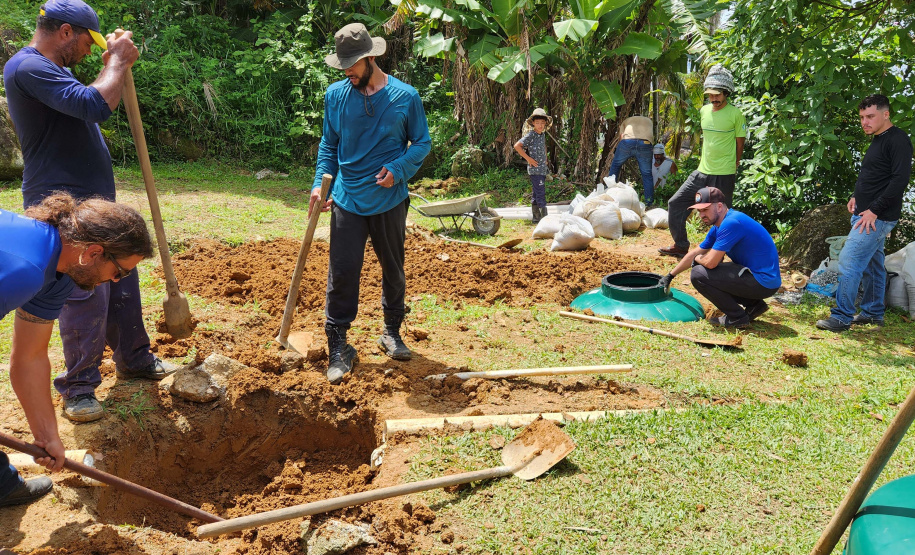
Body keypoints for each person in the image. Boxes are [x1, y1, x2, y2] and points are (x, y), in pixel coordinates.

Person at [3, 0, 175, 423]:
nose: (87, 51)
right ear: (65, 31)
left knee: (119, 276)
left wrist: (113, 65)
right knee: (82, 289)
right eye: (86, 42)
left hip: (94, 194)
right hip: (61, 199)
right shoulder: (27, 68)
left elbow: (90, 98)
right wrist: (116, 61)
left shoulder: (58, 71)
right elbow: (94, 104)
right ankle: (79, 385)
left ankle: (134, 357)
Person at [0, 194, 153, 507]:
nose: (115, 281)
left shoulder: (58, 276)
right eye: (120, 272)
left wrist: (47, 436)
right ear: (94, 252)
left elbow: (30, 357)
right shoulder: (26, 269)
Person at [310, 23, 431, 384]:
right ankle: (339, 346)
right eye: (342, 65)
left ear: (371, 57)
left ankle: (391, 332)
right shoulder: (336, 96)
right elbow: (328, 146)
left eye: (352, 64)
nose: (346, 71)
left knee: (393, 269)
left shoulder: (405, 97)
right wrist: (321, 183)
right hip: (347, 199)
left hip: (390, 199)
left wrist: (398, 169)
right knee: (342, 273)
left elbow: (421, 143)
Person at [816, 94, 913, 332]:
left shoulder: (898, 140)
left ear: (886, 114)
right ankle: (872, 313)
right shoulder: (878, 139)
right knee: (873, 266)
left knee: (848, 263)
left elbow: (899, 180)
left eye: (870, 116)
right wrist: (856, 196)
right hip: (865, 213)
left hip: (875, 218)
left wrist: (874, 211)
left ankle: (841, 317)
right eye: (862, 117)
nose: (865, 122)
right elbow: (875, 176)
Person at [658, 187, 781, 328]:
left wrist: (698, 260)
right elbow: (696, 252)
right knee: (708, 270)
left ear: (720, 206)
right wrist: (670, 276)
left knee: (699, 274)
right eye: (699, 211)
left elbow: (710, 263)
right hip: (759, 278)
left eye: (705, 209)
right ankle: (754, 306)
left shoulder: (731, 223)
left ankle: (737, 318)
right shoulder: (719, 226)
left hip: (763, 282)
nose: (701, 215)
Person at [660, 65, 746, 258]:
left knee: (723, 217)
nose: (714, 99)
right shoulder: (704, 111)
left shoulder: (735, 114)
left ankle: (719, 254)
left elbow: (740, 143)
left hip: (723, 173)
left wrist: (736, 163)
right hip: (702, 171)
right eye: (710, 95)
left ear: (726, 93)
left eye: (717, 95)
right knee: (675, 203)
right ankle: (681, 245)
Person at [607, 115, 655, 206]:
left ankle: (608, 194)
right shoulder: (649, 121)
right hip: (646, 143)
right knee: (647, 174)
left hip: (627, 142)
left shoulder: (627, 120)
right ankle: (649, 201)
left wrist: (622, 150)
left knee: (616, 166)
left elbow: (621, 136)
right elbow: (651, 137)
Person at [514, 108, 552, 223]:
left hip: (542, 169)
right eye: (537, 123)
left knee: (536, 194)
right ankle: (544, 220)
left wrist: (545, 160)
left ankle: (536, 219)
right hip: (535, 170)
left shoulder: (542, 135)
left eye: (542, 123)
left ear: (545, 123)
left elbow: (543, 147)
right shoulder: (531, 135)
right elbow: (517, 146)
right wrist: (528, 159)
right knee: (541, 193)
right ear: (533, 123)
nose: (540, 125)